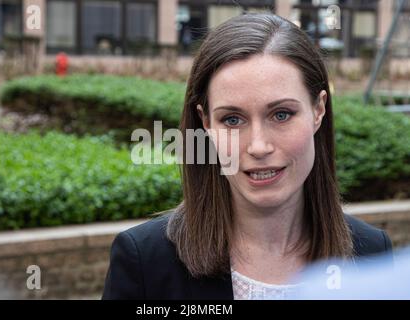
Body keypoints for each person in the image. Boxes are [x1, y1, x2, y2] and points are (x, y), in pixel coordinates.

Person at [102, 13, 392, 300]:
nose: (258, 146)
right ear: (205, 122)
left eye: (281, 114)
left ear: (318, 109)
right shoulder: (145, 262)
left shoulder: (372, 255)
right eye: (232, 120)